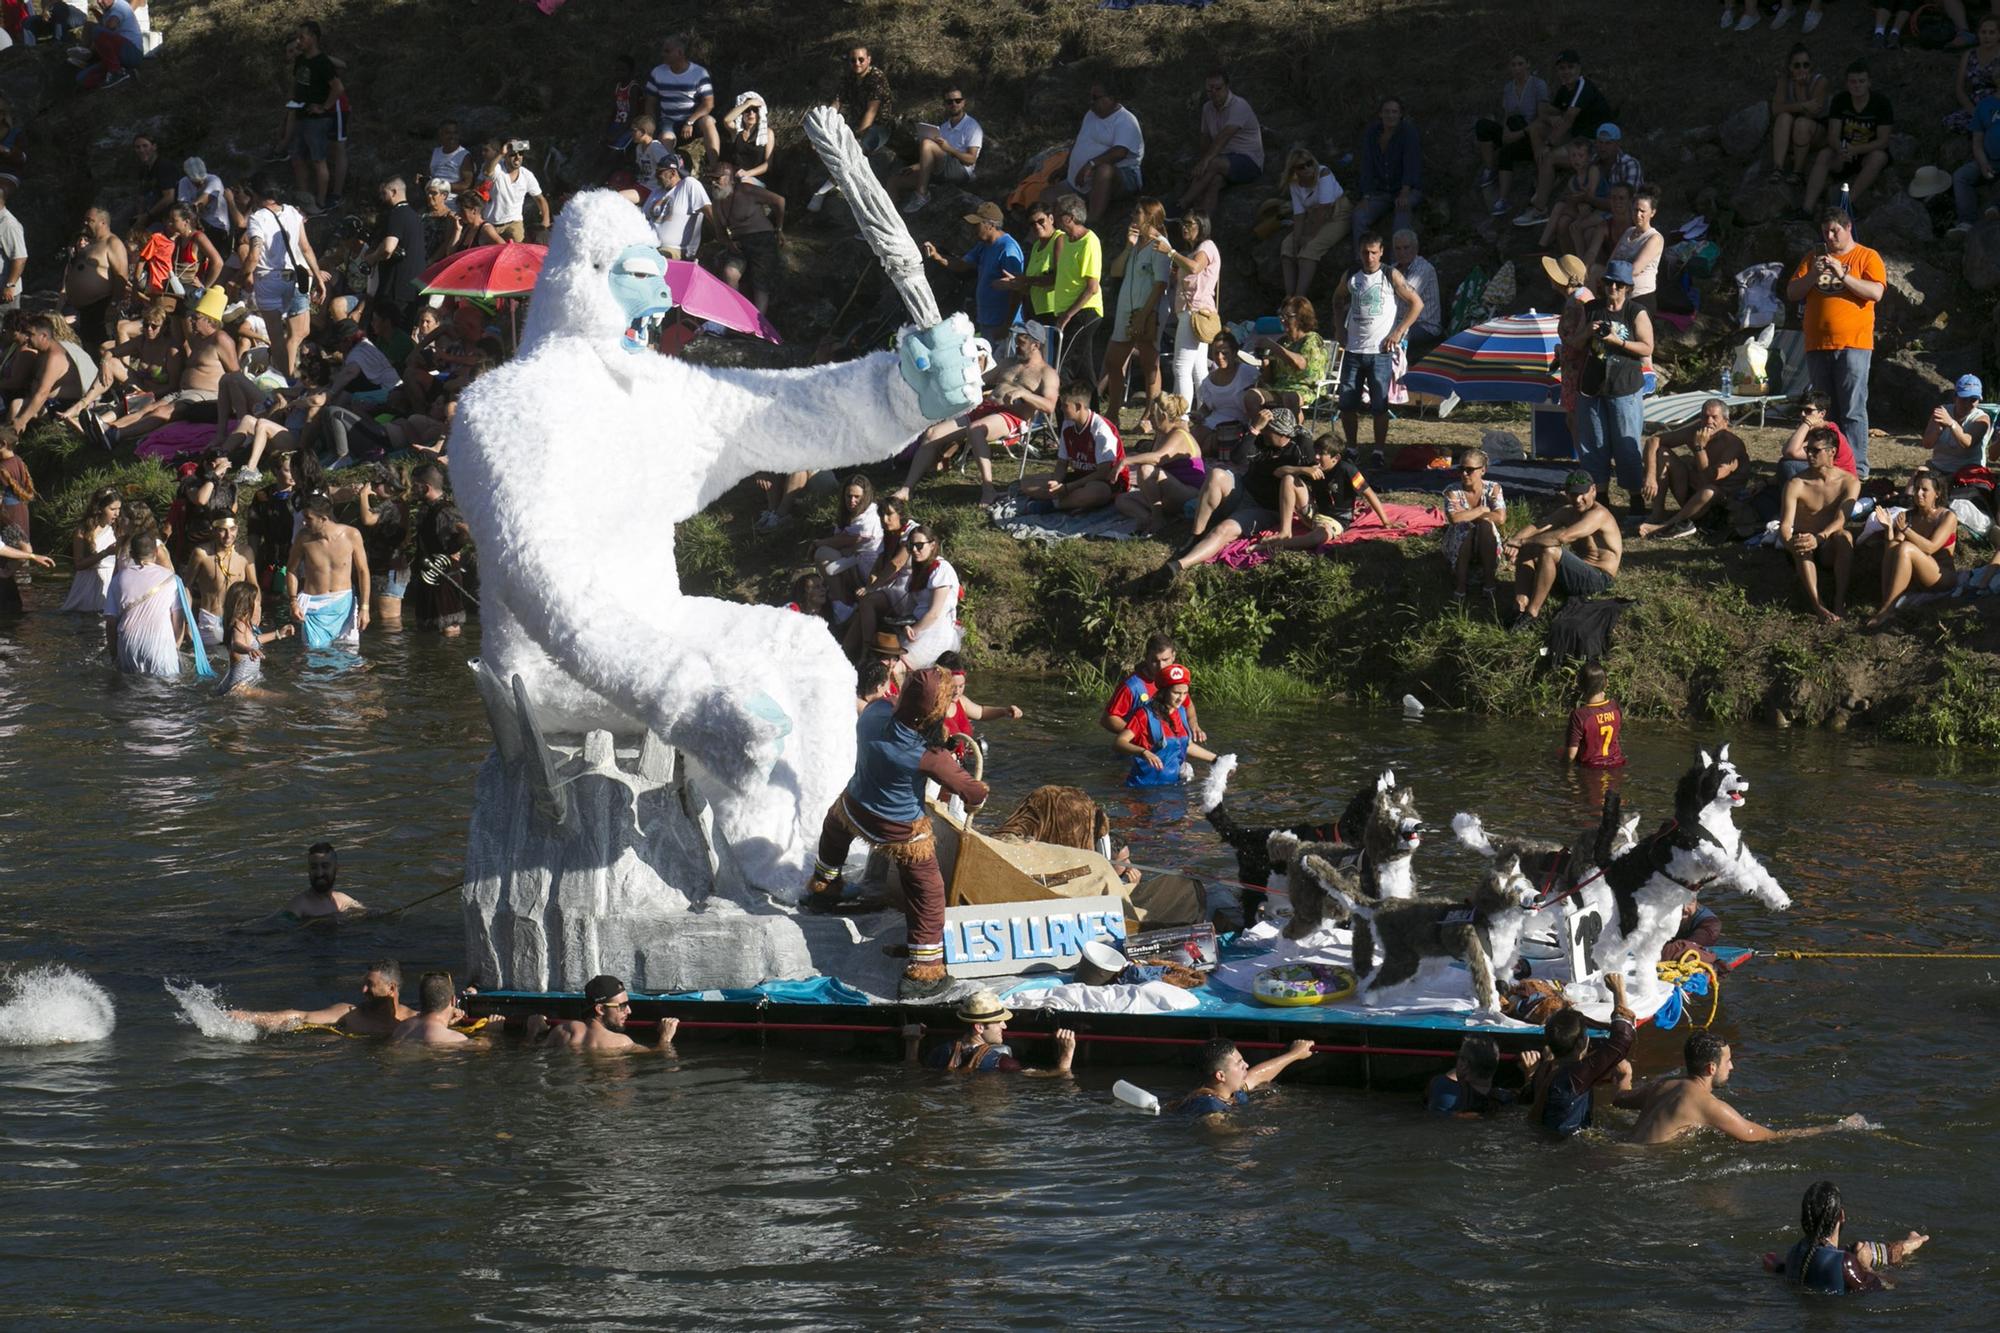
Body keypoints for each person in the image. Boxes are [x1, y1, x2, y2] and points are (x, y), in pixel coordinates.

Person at [804, 667, 990, 999]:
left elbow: (897, 708)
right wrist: (977, 787)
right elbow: (972, 792)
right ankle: (924, 971)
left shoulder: (874, 713)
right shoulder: (931, 757)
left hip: (855, 808)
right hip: (901, 832)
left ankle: (824, 887)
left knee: (834, 829)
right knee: (929, 893)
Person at [894, 327, 1056, 507]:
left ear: (1036, 345)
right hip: (984, 409)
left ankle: (989, 490)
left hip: (1013, 416)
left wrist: (1024, 394)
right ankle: (907, 489)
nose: (1016, 345)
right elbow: (979, 382)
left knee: (976, 430)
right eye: (1016, 340)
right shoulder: (1008, 363)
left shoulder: (1047, 374)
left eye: (1021, 342)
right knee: (932, 434)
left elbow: (1049, 406)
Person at [1627, 1032, 1871, 1144]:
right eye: (1728, 1061)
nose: (1732, 1067)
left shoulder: (1663, 1085)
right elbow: (1769, 1137)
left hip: (1621, 1150)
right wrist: (1835, 1128)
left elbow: (1620, 1099)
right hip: (1639, 1166)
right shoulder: (1710, 1106)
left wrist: (1624, 1075)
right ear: (1712, 1068)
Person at [1567, 258, 1652, 508]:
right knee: (1593, 444)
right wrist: (1588, 331)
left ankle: (1635, 498)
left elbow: (1647, 347)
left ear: (1627, 287)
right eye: (1609, 283)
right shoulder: (1592, 308)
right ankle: (1600, 496)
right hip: (1592, 386)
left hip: (1624, 386)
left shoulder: (1636, 311)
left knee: (1626, 444)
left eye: (1618, 284)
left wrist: (1617, 341)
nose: (1612, 288)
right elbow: (1576, 343)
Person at [1332, 235, 1422, 453]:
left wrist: (1399, 331)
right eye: (1365, 252)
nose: (1369, 257)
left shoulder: (1390, 274)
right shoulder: (1352, 274)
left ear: (1381, 252)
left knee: (1379, 405)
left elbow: (1416, 303)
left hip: (1380, 351)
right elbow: (1337, 299)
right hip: (1354, 349)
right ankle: (1352, 447)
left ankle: (1378, 450)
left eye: (1373, 252)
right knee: (1346, 403)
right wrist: (1339, 328)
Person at [1504, 470, 1623, 631]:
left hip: (1599, 579)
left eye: (1582, 494)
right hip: (1576, 576)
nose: (1578, 499)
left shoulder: (1599, 514)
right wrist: (1514, 543)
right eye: (1573, 494)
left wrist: (1521, 542)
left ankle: (1532, 613)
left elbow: (1564, 537)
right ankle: (1520, 605)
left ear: (1593, 490)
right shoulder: (1567, 511)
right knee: (1529, 547)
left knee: (1549, 550)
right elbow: (1539, 526)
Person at [1762, 1182, 1929, 1294]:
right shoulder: (1844, 1262)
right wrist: (1865, 1266)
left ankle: (1907, 1244)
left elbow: (1773, 1261)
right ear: (1841, 1215)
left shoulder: (1795, 1252)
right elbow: (1890, 1287)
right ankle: (1909, 1245)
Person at [1528, 969, 1632, 1135]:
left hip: (1548, 1142)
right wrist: (1619, 991)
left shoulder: (1546, 1068)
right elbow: (1621, 1041)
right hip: (1570, 1149)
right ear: (1582, 1043)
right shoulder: (1575, 1075)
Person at [1517, 50, 1613, 226]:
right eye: (1562, 68)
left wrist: (1548, 144)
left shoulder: (1583, 87)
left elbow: (1568, 120)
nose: (1566, 72)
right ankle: (1542, 182)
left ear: (1579, 68)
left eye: (1570, 67)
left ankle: (1539, 209)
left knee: (1549, 155)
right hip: (1577, 138)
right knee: (1536, 128)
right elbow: (1546, 110)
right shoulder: (1564, 89)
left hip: (1593, 143)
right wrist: (1551, 118)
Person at [240, 175, 321, 382]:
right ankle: (292, 376)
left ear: (257, 195)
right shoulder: (293, 212)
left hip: (268, 279)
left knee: (276, 338)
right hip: (295, 276)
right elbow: (306, 247)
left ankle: (286, 380)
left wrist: (243, 275)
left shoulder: (257, 218)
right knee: (296, 334)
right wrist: (319, 277)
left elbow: (254, 254)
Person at [1780, 426, 1863, 623]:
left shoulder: (1849, 482)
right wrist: (1789, 542)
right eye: (1808, 449)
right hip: (1804, 542)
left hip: (1826, 542)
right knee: (1802, 542)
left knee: (1845, 537)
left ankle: (1839, 600)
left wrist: (1820, 537)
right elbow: (1785, 524)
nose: (1809, 455)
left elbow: (1841, 519)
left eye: (1815, 450)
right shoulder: (1796, 484)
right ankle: (1817, 605)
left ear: (1831, 452)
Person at [1256, 434, 1395, 551]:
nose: (1316, 457)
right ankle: (1285, 532)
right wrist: (1303, 470)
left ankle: (1276, 545)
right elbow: (1278, 472)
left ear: (1336, 458)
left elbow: (1369, 493)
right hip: (1315, 513)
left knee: (1317, 538)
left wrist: (1386, 522)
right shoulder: (1313, 467)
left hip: (1335, 520)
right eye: (1315, 451)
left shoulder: (1347, 470)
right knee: (1288, 478)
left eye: (1321, 453)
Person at [1098, 198, 1171, 419]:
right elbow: (1116, 271)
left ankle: (1150, 415)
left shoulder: (1160, 244)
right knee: (1113, 361)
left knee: (1150, 364)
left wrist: (1144, 315)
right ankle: (1113, 411)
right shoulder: (1137, 243)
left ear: (1150, 216)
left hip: (1148, 311)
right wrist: (1129, 245)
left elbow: (1161, 284)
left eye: (1137, 213)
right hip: (1125, 311)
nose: (1132, 216)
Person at [1638, 397, 1749, 539]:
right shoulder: (1695, 431)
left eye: (1714, 417)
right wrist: (1650, 476)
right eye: (1705, 417)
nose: (1709, 422)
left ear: (1725, 421)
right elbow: (1653, 440)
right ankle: (1658, 512)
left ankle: (1666, 526)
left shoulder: (1733, 445)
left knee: (1710, 491)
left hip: (1716, 506)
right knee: (1662, 453)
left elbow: (1712, 478)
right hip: (1691, 494)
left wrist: (1699, 448)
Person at [1867, 470, 1958, 630]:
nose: (1918, 493)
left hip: (1940, 576)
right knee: (1895, 546)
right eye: (1916, 489)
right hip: (1917, 577)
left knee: (1907, 548)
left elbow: (1931, 547)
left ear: (1937, 493)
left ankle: (1888, 608)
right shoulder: (1908, 515)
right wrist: (1889, 529)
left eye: (1924, 490)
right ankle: (1886, 601)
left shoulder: (1947, 517)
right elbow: (1893, 549)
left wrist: (1907, 530)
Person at [922, 201, 1023, 346]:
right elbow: (962, 265)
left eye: (977, 224)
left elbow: (1017, 290)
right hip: (986, 321)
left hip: (1004, 325)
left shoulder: (1008, 249)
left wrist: (1006, 327)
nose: (972, 228)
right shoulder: (983, 245)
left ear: (990, 225)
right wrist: (937, 256)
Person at [912, 989, 1076, 1075]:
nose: (1004, 1026)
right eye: (999, 1022)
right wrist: (1067, 1053)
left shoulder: (939, 1053)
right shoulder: (1003, 1063)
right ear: (979, 1027)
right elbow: (1054, 1077)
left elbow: (912, 1070)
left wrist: (912, 1042)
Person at [229, 961, 414, 1037]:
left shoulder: (415, 1020)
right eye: (363, 983)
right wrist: (246, 1017)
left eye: (370, 984)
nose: (363, 989)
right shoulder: (349, 1013)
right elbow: (301, 1016)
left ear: (391, 988)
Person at [1802, 60, 1893, 215]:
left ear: (1869, 83)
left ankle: (1846, 204)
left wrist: (1856, 149)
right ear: (1847, 83)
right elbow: (1833, 135)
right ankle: (1806, 208)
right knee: (1825, 154)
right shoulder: (1840, 101)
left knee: (1879, 157)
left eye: (1861, 81)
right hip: (1843, 152)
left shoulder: (1881, 103)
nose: (1857, 85)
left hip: (1867, 152)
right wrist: (1841, 149)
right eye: (1853, 82)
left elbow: (1883, 140)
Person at [1021, 380, 1127, 513]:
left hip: (1105, 482)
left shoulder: (1100, 429)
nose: (1060, 409)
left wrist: (1067, 488)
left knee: (1097, 492)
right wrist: (1056, 484)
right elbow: (1062, 463)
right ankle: (1066, 501)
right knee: (1026, 483)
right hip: (1079, 478)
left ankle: (1055, 505)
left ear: (1078, 406)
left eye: (1065, 406)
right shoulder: (1068, 424)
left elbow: (1103, 472)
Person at [1113, 394, 1206, 535]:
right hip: (1171, 491)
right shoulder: (1162, 434)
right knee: (1122, 500)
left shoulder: (1179, 434)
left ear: (1162, 416)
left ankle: (1158, 518)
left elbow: (1157, 458)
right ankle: (1146, 518)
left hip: (1189, 494)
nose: (1149, 420)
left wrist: (1126, 461)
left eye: (1152, 416)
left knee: (1146, 469)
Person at [287, 494, 370, 650]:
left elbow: (363, 571)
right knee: (313, 658)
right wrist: (293, 601)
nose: (304, 522)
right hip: (313, 607)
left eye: (308, 518)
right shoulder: (303, 538)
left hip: (344, 604)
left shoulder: (352, 535)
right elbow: (291, 570)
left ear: (323, 519)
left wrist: (365, 608)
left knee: (348, 655)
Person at [1116, 662, 1219, 787]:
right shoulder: (1144, 715)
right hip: (1142, 790)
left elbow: (1186, 746)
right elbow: (1119, 742)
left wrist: (1217, 759)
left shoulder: (1181, 713)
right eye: (1176, 693)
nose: (1181, 698)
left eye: (1185, 693)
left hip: (1172, 788)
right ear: (1163, 692)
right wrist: (1143, 752)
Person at [1178, 68, 1262, 220]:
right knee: (1214, 181)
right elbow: (1205, 137)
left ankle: (1182, 204)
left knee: (1213, 164)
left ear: (1227, 87)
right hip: (1226, 160)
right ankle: (1202, 226)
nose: (1214, 92)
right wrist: (1201, 162)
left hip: (1249, 161)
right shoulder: (1207, 108)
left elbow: (1224, 136)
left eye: (1218, 88)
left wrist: (1204, 162)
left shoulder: (1239, 106)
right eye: (1210, 89)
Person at [102, 530, 187, 677]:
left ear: (132, 554)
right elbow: (178, 620)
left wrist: (115, 655)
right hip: (160, 647)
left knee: (128, 694)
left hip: (128, 646)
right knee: (165, 693)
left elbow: (110, 623)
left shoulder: (118, 579)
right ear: (155, 552)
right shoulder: (172, 579)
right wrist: (175, 647)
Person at [1477, 53, 1549, 215]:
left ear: (1528, 64)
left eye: (1520, 64)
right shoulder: (1509, 88)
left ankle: (1505, 198)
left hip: (1531, 135)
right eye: (1513, 64)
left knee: (1511, 140)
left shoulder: (1538, 85)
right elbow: (1507, 116)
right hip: (1513, 130)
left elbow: (1542, 117)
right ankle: (1490, 171)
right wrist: (1506, 132)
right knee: (1483, 125)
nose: (1517, 68)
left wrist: (1521, 132)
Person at [1171, 1037, 1316, 1117]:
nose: (1246, 1065)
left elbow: (1257, 1076)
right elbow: (1222, 1137)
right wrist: (1250, 1133)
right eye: (1239, 1063)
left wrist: (1295, 1054)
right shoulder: (1210, 1107)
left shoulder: (1230, 1092)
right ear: (1221, 1076)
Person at [1161, 210, 1221, 404]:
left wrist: (1170, 252)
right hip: (1196, 313)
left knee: (1180, 367)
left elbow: (1195, 267)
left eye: (1189, 223)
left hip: (1194, 312)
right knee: (1198, 368)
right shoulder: (1198, 250)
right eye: (1182, 224)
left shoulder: (1206, 246)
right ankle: (1205, 411)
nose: (1184, 227)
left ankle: (1182, 417)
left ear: (1201, 226)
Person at [1100, 633, 1206, 741]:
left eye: (1165, 660)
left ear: (1173, 656)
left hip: (1172, 747)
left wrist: (1194, 724)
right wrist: (1141, 736)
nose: (1161, 666)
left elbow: (1188, 706)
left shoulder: (1176, 679)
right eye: (1155, 661)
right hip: (1139, 752)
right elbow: (1107, 719)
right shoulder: (1132, 686)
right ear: (1146, 658)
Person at [1277, 148, 1353, 300]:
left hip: (1338, 214)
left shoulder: (1323, 173)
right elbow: (1299, 214)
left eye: (1309, 163)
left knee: (1310, 249)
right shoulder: (1294, 184)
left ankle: (1299, 300)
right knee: (1287, 246)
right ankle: (1288, 296)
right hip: (1312, 218)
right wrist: (1297, 239)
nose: (1307, 168)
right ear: (1294, 170)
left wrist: (1308, 236)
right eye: (1301, 166)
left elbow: (1324, 210)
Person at [1065, 80, 1144, 224]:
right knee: (1047, 194)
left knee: (1104, 170)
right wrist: (1064, 166)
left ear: (1112, 99)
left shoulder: (1126, 121)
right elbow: (1080, 140)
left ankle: (1093, 222)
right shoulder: (1090, 114)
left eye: (1096, 98)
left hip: (1125, 176)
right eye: (1090, 97)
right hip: (1081, 178)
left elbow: (1120, 152)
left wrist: (1090, 164)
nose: (1091, 102)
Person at [532, 975, 680, 1052]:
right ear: (600, 1009)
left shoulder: (563, 1031)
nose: (629, 1011)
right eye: (622, 1006)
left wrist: (532, 1032)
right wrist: (665, 1038)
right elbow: (659, 1055)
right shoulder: (621, 1042)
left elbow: (529, 1049)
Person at [894, 86, 982, 215]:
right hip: (941, 168)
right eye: (949, 102)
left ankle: (922, 194)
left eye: (957, 100)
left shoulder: (972, 126)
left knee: (927, 143)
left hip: (961, 170)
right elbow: (931, 156)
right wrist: (916, 167)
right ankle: (886, 220)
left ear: (963, 102)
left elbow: (971, 160)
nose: (954, 104)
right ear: (945, 105)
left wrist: (949, 149)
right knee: (895, 180)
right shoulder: (944, 127)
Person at [710, 162, 784, 314]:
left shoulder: (746, 190)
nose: (714, 182)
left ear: (730, 179)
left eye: (718, 179)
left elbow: (779, 200)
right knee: (730, 272)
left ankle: (758, 325)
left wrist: (780, 228)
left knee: (760, 283)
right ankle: (734, 315)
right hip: (739, 244)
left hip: (762, 239)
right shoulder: (717, 203)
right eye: (712, 179)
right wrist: (729, 244)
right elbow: (720, 234)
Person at [286, 20, 343, 213]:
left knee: (319, 160)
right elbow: (296, 81)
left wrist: (324, 107)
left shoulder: (322, 62)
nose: (299, 40)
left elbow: (338, 88)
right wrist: (292, 98)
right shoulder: (301, 59)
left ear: (314, 38)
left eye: (302, 37)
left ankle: (320, 202)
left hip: (317, 120)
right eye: (298, 37)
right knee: (297, 158)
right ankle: (305, 198)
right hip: (301, 115)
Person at [405, 465, 468, 636]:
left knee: (449, 628)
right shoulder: (428, 508)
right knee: (426, 630)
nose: (411, 489)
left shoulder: (445, 511)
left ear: (426, 487)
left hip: (445, 576)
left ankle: (450, 661)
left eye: (415, 485)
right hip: (428, 575)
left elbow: (466, 530)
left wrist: (454, 548)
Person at [1245, 295, 1330, 417]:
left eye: (1287, 317)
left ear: (1301, 318)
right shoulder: (1283, 342)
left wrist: (1273, 346)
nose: (1282, 320)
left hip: (1305, 389)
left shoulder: (1311, 340)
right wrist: (1266, 364)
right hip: (1279, 389)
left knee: (1290, 398)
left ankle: (1295, 433)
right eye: (1281, 316)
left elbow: (1300, 364)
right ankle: (1260, 432)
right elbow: (1270, 379)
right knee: (1251, 396)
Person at [644, 34, 720, 167]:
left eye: (667, 51)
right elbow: (650, 102)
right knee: (665, 138)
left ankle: (714, 166)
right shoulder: (657, 72)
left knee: (708, 121)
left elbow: (708, 104)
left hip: (693, 120)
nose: (663, 54)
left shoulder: (699, 73)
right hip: (669, 121)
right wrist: (651, 126)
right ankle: (674, 171)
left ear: (679, 52)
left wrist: (690, 121)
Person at [1046, 194, 1104, 366]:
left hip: (1084, 312)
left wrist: (1067, 315)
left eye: (1056, 215)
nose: (1053, 219)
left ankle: (1057, 393)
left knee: (1062, 364)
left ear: (1069, 218)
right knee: (1083, 368)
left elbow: (1092, 287)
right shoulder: (1064, 240)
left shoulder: (1089, 241)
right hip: (1067, 312)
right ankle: (1094, 394)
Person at [1354, 97, 1422, 242]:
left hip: (1406, 188)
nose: (1390, 115)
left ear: (1400, 114)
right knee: (1359, 216)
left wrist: (1405, 192)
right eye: (1387, 112)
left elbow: (1411, 163)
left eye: (1394, 112)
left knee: (1402, 213)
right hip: (1381, 191)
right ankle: (1362, 260)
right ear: (1380, 114)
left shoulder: (1408, 132)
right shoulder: (1372, 133)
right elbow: (1367, 165)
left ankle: (1397, 262)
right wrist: (1366, 195)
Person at [60, 206, 126, 351]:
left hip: (102, 307)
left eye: (89, 220)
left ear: (102, 222)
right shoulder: (92, 244)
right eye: (84, 220)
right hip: (84, 310)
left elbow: (121, 277)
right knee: (88, 349)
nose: (85, 223)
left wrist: (114, 305)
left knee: (103, 349)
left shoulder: (112, 243)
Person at [1442, 448, 1505, 597]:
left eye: (1469, 470)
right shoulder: (1452, 490)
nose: (1464, 474)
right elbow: (1454, 519)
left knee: (1484, 525)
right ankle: (1461, 585)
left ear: (1483, 470)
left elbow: (1501, 518)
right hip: (1460, 540)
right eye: (1461, 469)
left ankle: (1489, 583)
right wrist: (1482, 510)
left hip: (1484, 536)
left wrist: (1468, 515)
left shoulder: (1493, 488)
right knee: (1465, 528)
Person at [214, 578, 291, 697]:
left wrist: (278, 634)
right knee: (283, 697)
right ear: (247, 604)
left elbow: (255, 640)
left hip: (241, 685)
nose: (259, 604)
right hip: (238, 688)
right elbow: (236, 643)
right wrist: (248, 650)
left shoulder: (246, 625)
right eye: (257, 601)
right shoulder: (239, 625)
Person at [359, 176, 426, 309]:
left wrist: (370, 259)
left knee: (384, 326)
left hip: (395, 287)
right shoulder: (415, 216)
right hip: (414, 288)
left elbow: (388, 248)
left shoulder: (397, 214)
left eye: (384, 193)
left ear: (394, 192)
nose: (381, 198)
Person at [1189, 329, 1256, 459]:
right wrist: (1199, 415)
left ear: (1234, 353)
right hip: (1213, 421)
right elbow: (1207, 407)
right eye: (1216, 353)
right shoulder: (1209, 380)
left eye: (1224, 353)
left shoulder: (1247, 372)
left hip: (1237, 424)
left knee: (1208, 445)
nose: (1220, 357)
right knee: (1190, 439)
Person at [1771, 44, 1831, 185]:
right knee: (1783, 118)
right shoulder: (1784, 81)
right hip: (1793, 132)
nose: (1801, 69)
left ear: (1811, 66)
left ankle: (1798, 171)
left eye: (1805, 65)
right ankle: (1777, 168)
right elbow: (1776, 109)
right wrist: (1802, 105)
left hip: (1817, 131)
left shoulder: (1820, 82)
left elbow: (1812, 112)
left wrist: (1802, 89)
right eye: (1797, 66)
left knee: (1801, 123)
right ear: (1790, 67)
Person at [59, 486, 119, 614]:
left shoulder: (117, 527)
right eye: (112, 509)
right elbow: (78, 564)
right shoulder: (83, 530)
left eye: (119, 509)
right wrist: (106, 552)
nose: (117, 513)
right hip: (87, 583)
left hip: (110, 581)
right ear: (100, 509)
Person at [640, 154, 711, 261]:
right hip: (649, 245)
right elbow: (642, 218)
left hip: (674, 251)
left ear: (672, 173)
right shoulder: (657, 191)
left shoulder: (689, 184)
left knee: (655, 259)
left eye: (659, 172)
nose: (656, 176)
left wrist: (723, 237)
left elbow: (709, 211)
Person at [1425, 1034, 1517, 1116]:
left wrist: (1461, 1066)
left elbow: (1448, 1078)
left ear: (1464, 1065)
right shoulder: (1505, 1099)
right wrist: (1529, 1075)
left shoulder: (1444, 1088)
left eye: (1458, 1056)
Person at [1922, 373, 1990, 473]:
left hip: (1967, 472)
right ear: (1955, 397)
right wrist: (1937, 430)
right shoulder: (1942, 411)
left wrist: (1951, 424)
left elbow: (1968, 443)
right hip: (1938, 467)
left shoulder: (1982, 419)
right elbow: (1927, 444)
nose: (1967, 404)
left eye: (1973, 400)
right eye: (1964, 398)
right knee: (1918, 475)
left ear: (1979, 400)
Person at [1564, 660, 1625, 767]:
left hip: (1592, 768)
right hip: (1617, 765)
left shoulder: (1579, 715)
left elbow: (1571, 755)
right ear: (1606, 684)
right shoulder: (1615, 706)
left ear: (1579, 686)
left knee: (1559, 753)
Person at [1391, 229, 1442, 356]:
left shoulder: (1423, 268)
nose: (1402, 252)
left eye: (1406, 248)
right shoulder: (1394, 267)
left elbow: (1403, 295)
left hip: (1423, 325)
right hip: (1400, 321)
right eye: (1398, 249)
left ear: (1415, 248)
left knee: (1390, 340)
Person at [486, 139, 547, 242]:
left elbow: (540, 198)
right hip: (491, 224)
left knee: (517, 251)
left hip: (514, 223)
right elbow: (488, 172)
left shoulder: (527, 175)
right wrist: (501, 153)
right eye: (512, 154)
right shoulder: (498, 168)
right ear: (505, 156)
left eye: (521, 153)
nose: (517, 157)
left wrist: (545, 222)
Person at [390, 972, 474, 1046]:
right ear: (453, 1001)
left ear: (421, 998)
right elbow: (482, 1047)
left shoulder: (401, 1029)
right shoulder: (455, 1039)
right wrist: (487, 1025)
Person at [285, 842, 364, 918]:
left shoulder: (344, 902)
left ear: (336, 869)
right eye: (314, 867)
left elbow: (368, 916)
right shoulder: (298, 907)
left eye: (325, 866)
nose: (319, 873)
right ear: (308, 870)